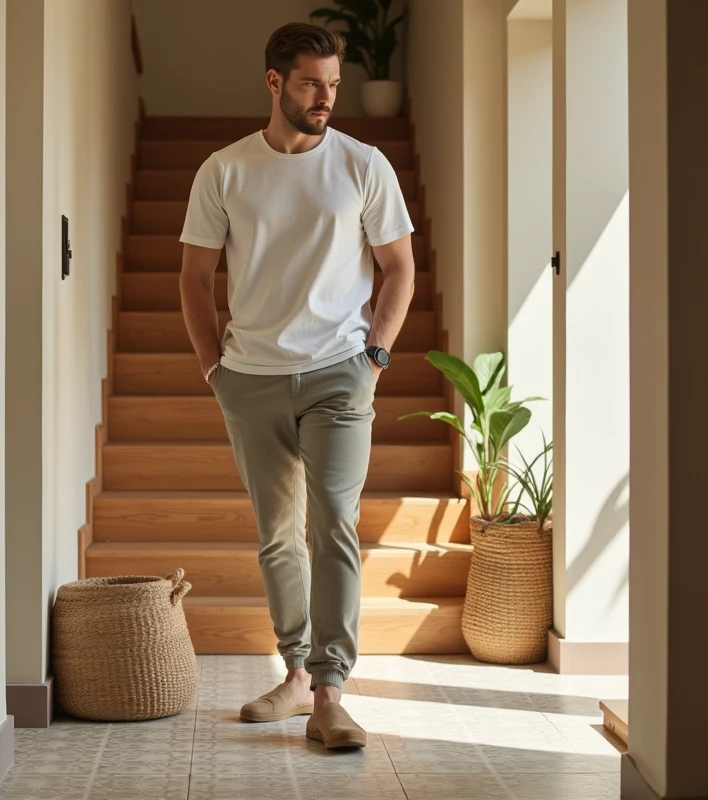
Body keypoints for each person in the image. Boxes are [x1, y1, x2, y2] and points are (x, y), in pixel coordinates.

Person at [178, 21, 416, 750]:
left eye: (334, 84)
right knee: (279, 536)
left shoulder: (363, 163)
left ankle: (331, 691)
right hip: (250, 377)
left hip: (340, 373)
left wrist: (375, 354)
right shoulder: (225, 170)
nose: (326, 98)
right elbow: (193, 275)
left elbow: (399, 267)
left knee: (334, 525)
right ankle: (295, 675)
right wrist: (213, 366)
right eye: (313, 83)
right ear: (275, 81)